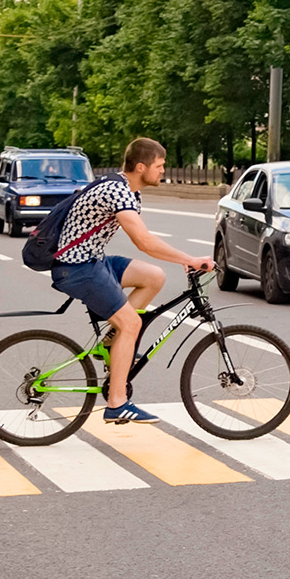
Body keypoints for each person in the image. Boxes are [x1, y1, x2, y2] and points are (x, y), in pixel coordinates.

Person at [49, 137, 213, 424]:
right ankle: (116, 403)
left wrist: (180, 260)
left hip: (93, 261)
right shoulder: (117, 192)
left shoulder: (128, 191)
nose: (163, 170)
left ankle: (114, 341)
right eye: (159, 166)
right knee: (132, 324)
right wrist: (188, 259)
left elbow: (147, 245)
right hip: (76, 268)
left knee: (153, 276)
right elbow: (144, 242)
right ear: (141, 166)